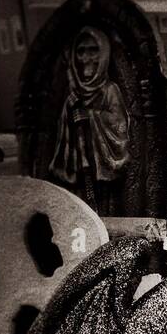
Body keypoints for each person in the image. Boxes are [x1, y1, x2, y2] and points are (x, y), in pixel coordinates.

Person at [50, 27, 130, 210]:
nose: (86, 57)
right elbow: (63, 134)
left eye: (93, 50)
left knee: (106, 209)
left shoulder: (110, 90)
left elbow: (120, 125)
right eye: (81, 51)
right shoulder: (73, 96)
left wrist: (92, 117)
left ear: (103, 54)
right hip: (81, 166)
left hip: (103, 170)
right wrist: (70, 112)